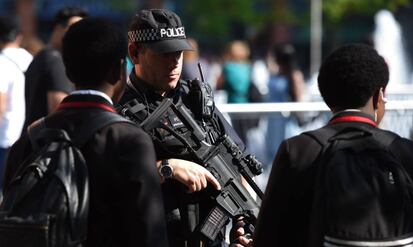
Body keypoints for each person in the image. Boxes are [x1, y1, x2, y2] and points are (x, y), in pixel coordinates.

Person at [4, 17, 169, 247]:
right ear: (118, 70)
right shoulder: (130, 141)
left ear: (68, 72)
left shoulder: (28, 141)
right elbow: (150, 236)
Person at [118, 8, 254, 247]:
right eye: (164, 53)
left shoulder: (196, 98)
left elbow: (238, 166)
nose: (174, 61)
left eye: (179, 52)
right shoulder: (120, 108)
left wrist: (241, 226)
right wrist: (165, 168)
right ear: (135, 53)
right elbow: (109, 179)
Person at [253, 43, 413, 246]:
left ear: (326, 96)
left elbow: (268, 236)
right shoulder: (405, 152)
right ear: (379, 96)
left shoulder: (298, 150)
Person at [23, 6, 88, 133]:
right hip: (48, 143)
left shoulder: (44, 56)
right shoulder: (55, 60)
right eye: (75, 28)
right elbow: (59, 108)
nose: (80, 35)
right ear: (58, 28)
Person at [0, 15, 32, 194]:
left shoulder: (1, 62)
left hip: (4, 139)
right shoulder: (29, 58)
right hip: (28, 135)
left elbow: (0, 105)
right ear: (19, 36)